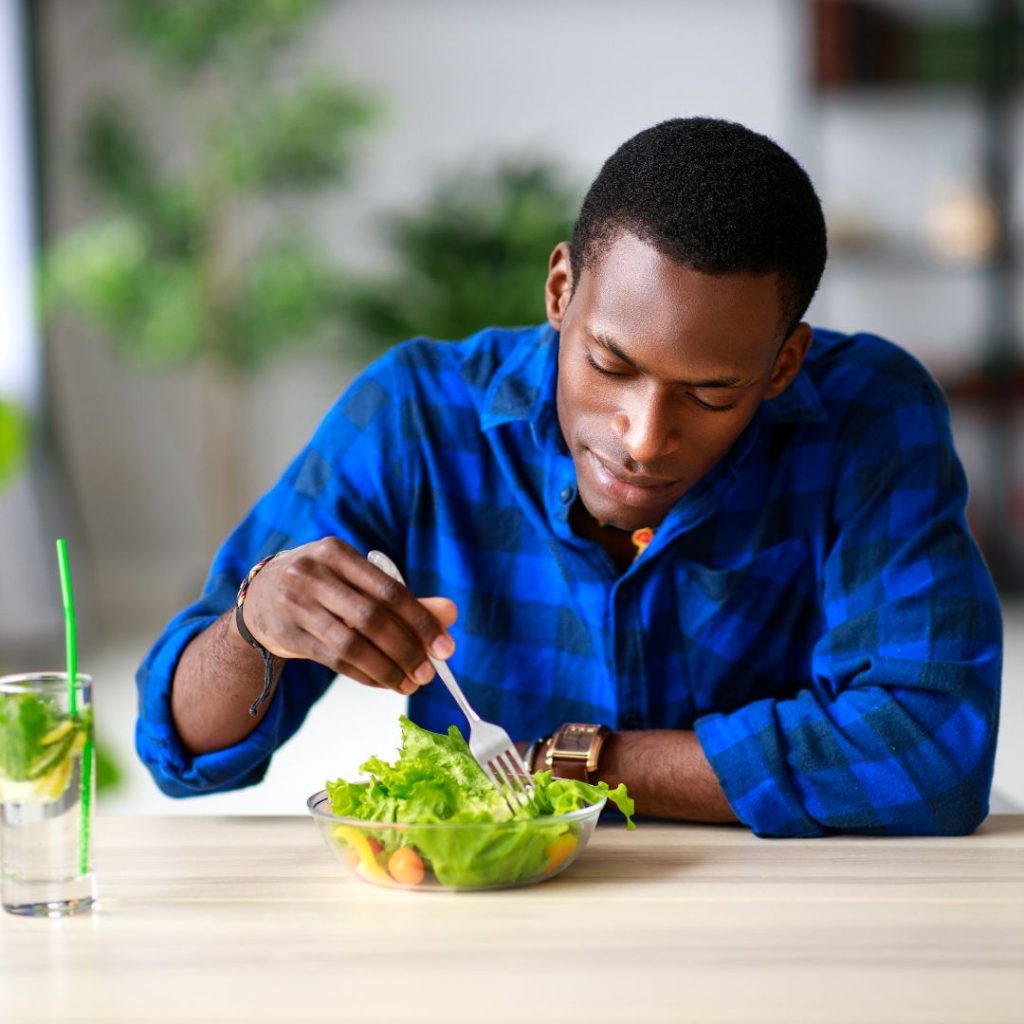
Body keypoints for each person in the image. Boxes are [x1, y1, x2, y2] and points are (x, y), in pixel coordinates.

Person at [136, 117, 1002, 837]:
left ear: (782, 367)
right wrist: (256, 623)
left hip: (766, 929)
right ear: (560, 291)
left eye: (710, 393)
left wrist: (583, 765)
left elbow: (932, 749)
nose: (644, 436)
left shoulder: (868, 416)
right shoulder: (416, 416)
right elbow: (179, 753)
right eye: (609, 363)